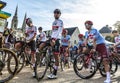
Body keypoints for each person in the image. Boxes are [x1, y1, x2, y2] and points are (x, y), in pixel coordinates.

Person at [47, 9, 63, 79]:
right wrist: (50, 38)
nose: (56, 14)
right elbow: (53, 31)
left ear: (59, 14)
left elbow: (59, 31)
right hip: (52, 38)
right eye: (54, 13)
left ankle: (55, 73)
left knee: (56, 56)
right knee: (41, 45)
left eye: (57, 13)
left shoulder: (60, 22)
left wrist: (55, 39)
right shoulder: (53, 22)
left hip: (57, 39)